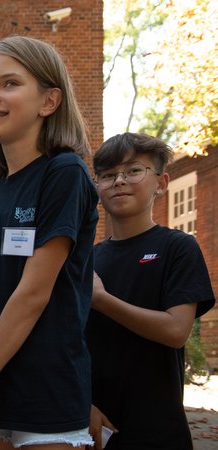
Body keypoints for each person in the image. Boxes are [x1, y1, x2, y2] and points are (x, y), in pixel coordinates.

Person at [0, 36, 98, 449]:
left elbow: (32, 294)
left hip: (43, 389)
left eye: (9, 84)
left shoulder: (64, 174)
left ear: (49, 102)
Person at [87, 132, 215, 450]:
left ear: (161, 182)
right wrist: (81, 405)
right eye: (107, 175)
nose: (119, 181)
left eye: (133, 171)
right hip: (94, 426)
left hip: (158, 429)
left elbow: (176, 331)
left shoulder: (177, 248)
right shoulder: (87, 259)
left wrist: (101, 300)